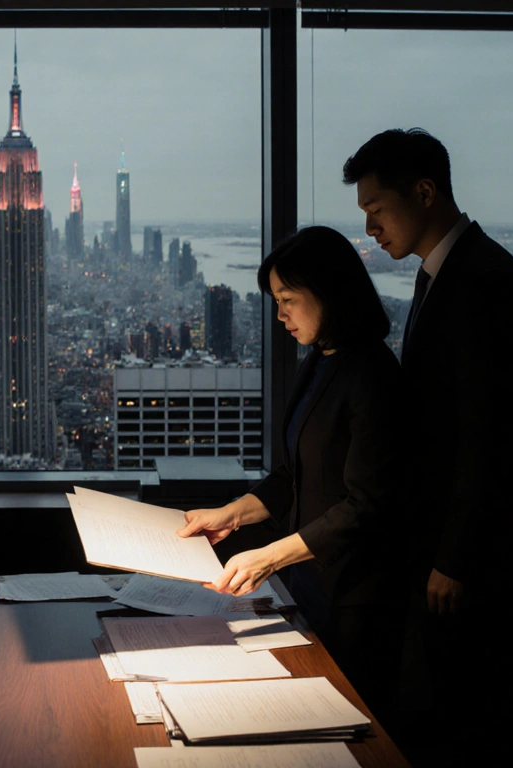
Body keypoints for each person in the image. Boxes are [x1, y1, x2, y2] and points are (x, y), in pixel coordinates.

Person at [343, 128, 513, 766]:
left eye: (377, 210)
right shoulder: (443, 274)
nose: (371, 229)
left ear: (425, 192)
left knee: (474, 716)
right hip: (445, 546)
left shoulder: (485, 280)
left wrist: (454, 557)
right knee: (454, 708)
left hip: (471, 555)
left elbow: (490, 435)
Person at [177, 226, 408, 718]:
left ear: (329, 292)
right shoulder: (319, 360)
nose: (279, 314)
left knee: (348, 725)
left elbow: (368, 506)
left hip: (356, 593)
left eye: (288, 299)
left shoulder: (372, 375)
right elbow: (294, 474)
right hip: (307, 580)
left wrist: (270, 557)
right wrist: (231, 514)